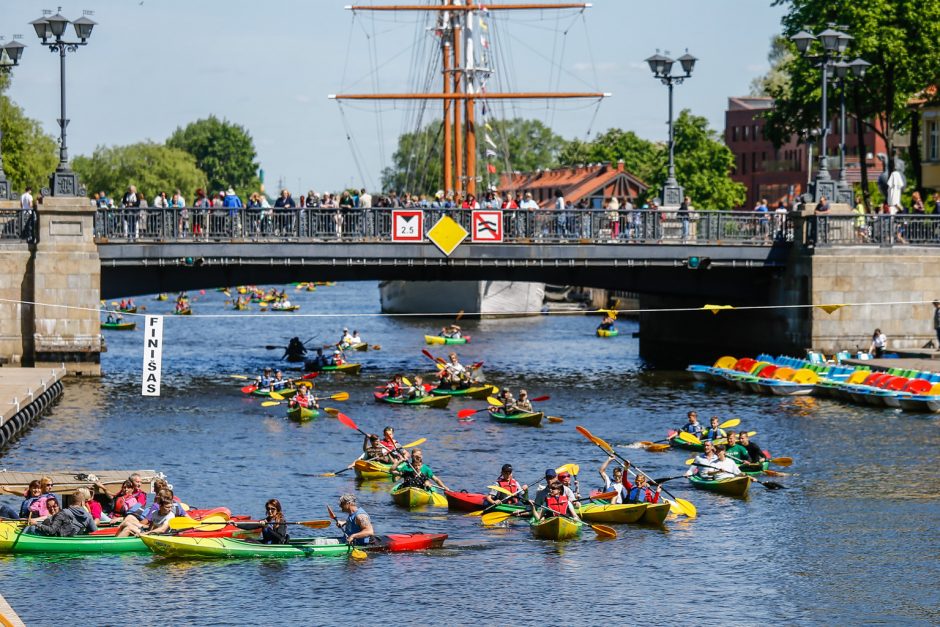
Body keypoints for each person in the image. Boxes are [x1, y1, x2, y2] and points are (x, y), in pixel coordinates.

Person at [24, 488, 97, 537]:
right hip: (73, 538)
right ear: (82, 503)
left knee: (31, 528)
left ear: (70, 501)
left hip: (59, 538)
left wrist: (37, 524)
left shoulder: (63, 512)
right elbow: (95, 531)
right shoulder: (88, 516)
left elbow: (52, 531)